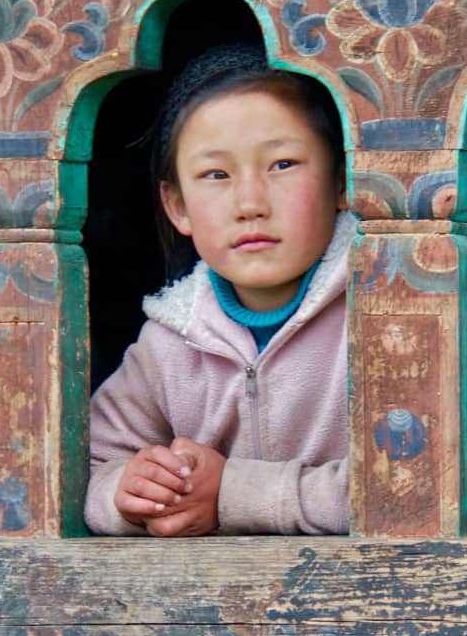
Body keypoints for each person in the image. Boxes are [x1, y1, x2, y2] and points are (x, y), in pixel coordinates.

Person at [85, 44, 353, 536]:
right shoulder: (168, 344)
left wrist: (233, 493)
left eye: (283, 164)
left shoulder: (387, 317)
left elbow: (419, 486)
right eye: (215, 175)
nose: (249, 203)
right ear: (177, 205)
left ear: (342, 180)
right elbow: (82, 471)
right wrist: (130, 493)